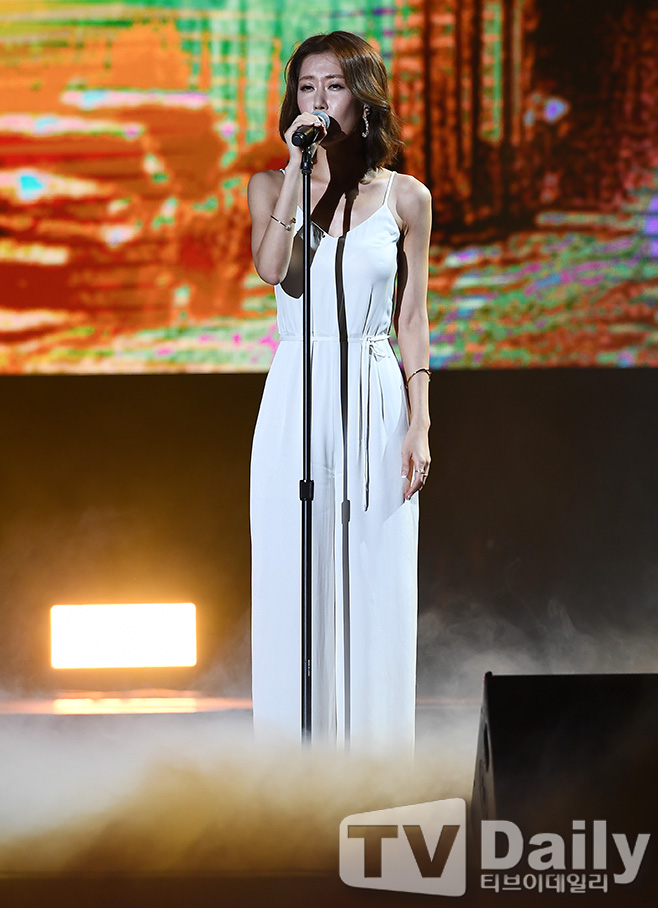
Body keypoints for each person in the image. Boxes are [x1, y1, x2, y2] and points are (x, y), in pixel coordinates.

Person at [248, 31, 431, 752]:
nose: (319, 100)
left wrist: (419, 422)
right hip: (298, 387)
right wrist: (301, 178)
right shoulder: (271, 187)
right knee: (293, 569)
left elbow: (411, 318)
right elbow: (274, 270)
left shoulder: (406, 197)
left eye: (334, 85)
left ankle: (375, 763)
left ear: (364, 96)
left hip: (377, 387)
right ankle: (295, 766)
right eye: (306, 87)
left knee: (375, 568)